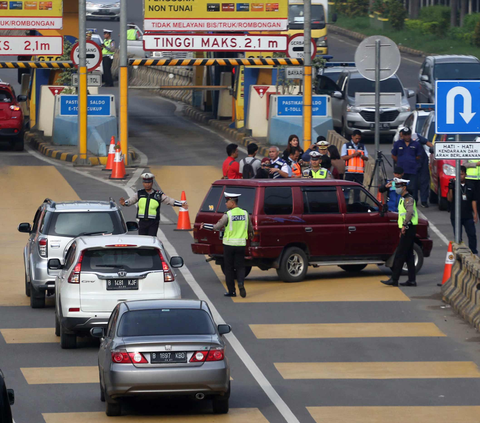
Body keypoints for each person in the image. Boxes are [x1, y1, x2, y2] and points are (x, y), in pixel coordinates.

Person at [200, 193, 253, 298]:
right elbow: (250, 228)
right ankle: (241, 283)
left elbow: (216, 227)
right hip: (241, 244)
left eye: (227, 202)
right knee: (240, 266)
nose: (225, 203)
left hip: (229, 245)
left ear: (232, 203)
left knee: (228, 268)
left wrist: (205, 225)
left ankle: (232, 291)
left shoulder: (228, 215)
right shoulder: (245, 213)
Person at [119, 173, 187, 236]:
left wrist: (181, 204)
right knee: (142, 240)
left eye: (149, 182)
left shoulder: (158, 194)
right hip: (142, 222)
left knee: (152, 240)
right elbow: (131, 200)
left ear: (152, 183)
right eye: (145, 182)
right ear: (143, 183)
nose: (147, 184)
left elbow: (169, 200)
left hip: (153, 222)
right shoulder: (139, 193)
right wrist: (124, 203)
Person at [381, 178, 418, 287]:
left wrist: (404, 226)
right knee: (409, 255)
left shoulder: (408, 199)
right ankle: (412, 280)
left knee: (399, 255)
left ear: (404, 188)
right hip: (407, 228)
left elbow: (409, 212)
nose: (397, 189)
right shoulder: (403, 198)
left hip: (408, 228)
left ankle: (394, 279)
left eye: (398, 187)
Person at [447, 166, 478, 254]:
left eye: (462, 174)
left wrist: (475, 213)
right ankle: (459, 253)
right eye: (459, 174)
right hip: (456, 216)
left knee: (472, 234)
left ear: (465, 174)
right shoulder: (454, 185)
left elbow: (473, 200)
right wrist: (450, 189)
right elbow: (449, 199)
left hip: (468, 215)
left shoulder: (470, 186)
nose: (460, 176)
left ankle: (474, 252)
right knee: (458, 236)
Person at [391, 127, 422, 203]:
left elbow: (418, 156)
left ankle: (413, 203)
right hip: (401, 171)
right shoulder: (398, 144)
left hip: (412, 170)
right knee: (400, 187)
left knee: (412, 188)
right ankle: (400, 202)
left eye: (408, 135)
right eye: (405, 135)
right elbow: (393, 155)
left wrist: (411, 161)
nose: (407, 136)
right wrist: (400, 162)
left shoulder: (416, 144)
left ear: (410, 135)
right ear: (402, 135)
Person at [414, 133, 432, 208]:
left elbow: (427, 142)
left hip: (422, 163)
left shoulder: (415, 137)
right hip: (412, 165)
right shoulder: (401, 142)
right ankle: (414, 200)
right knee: (413, 183)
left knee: (424, 182)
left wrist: (435, 148)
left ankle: (424, 201)